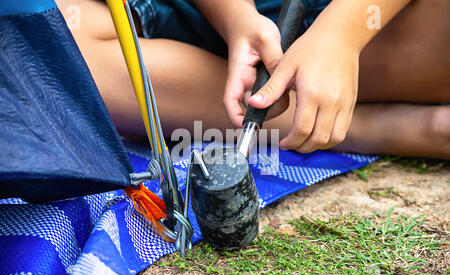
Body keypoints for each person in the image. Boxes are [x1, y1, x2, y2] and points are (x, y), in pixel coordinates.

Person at [56, 0, 449, 159]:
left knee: (50, 56)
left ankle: (353, 125)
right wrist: (341, 33)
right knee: (40, 45)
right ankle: (357, 127)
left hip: (179, 52)